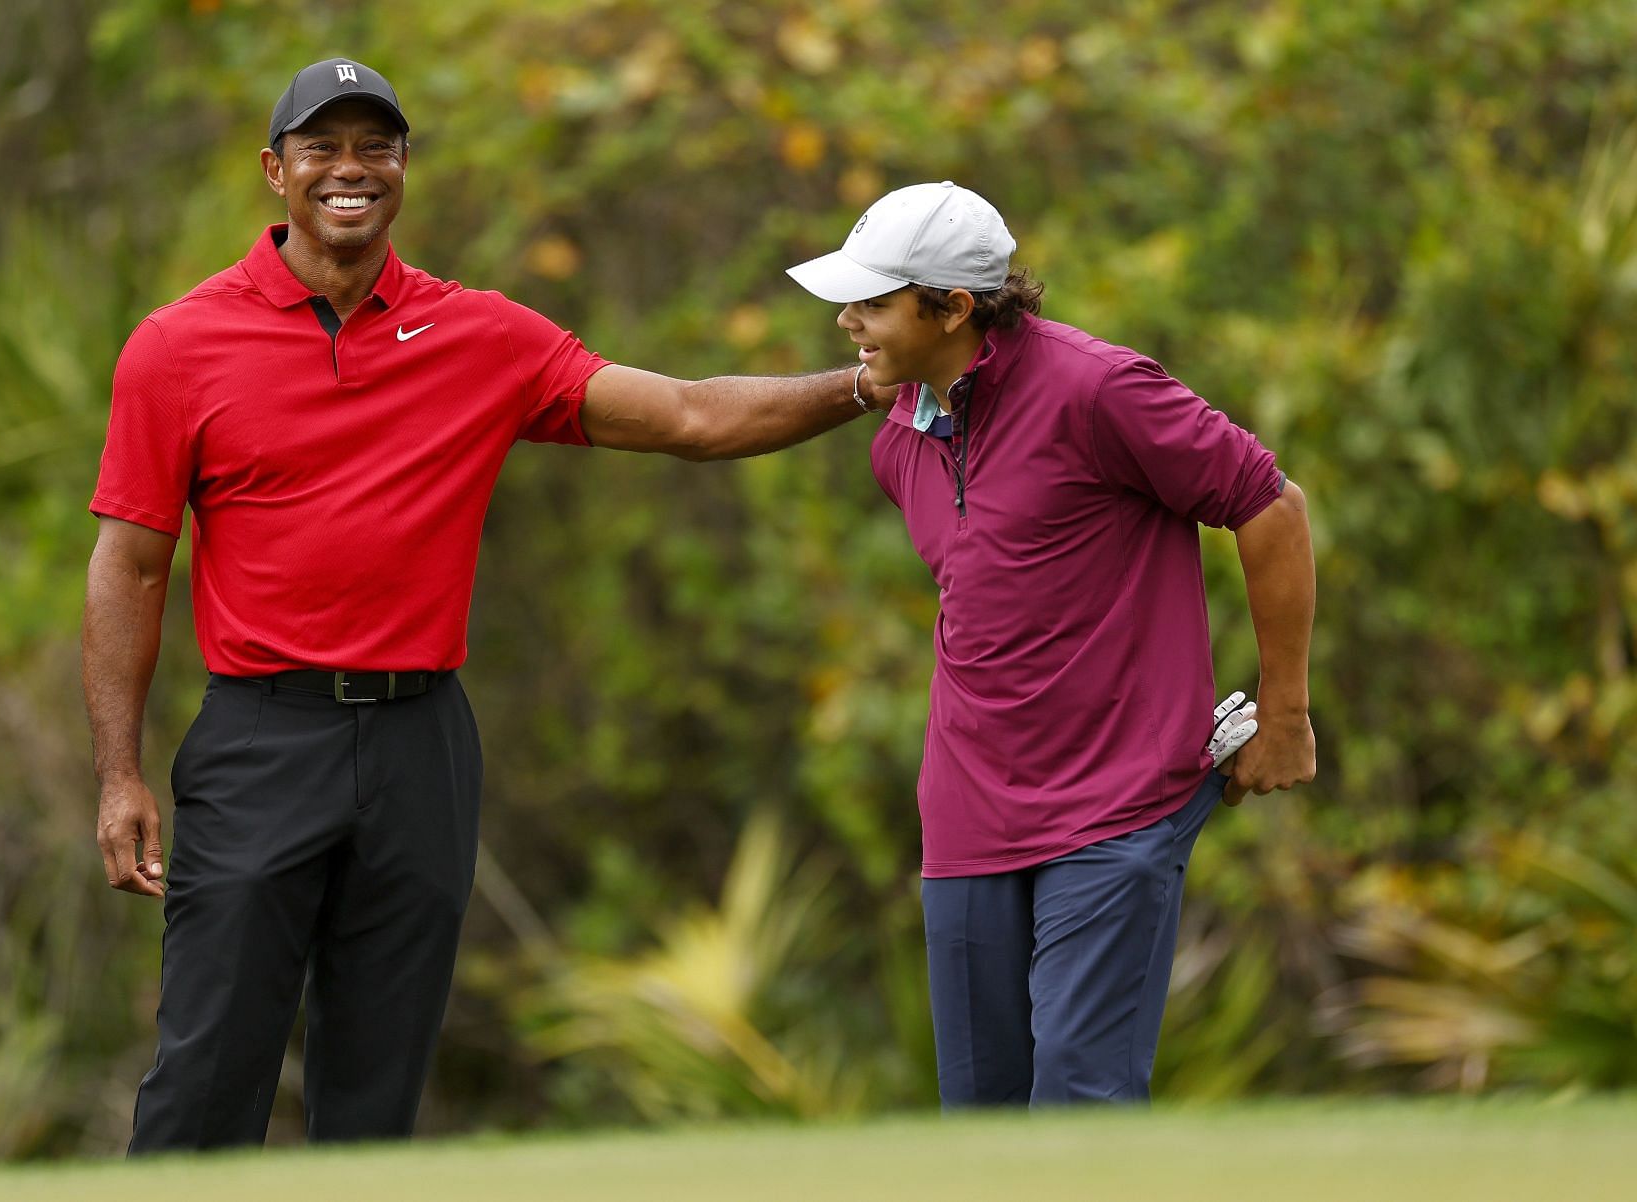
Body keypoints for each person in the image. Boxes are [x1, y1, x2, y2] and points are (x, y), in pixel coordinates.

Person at [82, 58, 893, 1153]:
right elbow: (130, 566)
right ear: (276, 171)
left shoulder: (484, 336)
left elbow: (693, 417)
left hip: (423, 740)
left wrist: (865, 386)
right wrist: (120, 771)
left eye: (377, 146)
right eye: (322, 147)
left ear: (404, 167)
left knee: (377, 1085)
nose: (351, 170)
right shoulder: (179, 345)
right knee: (209, 1074)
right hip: (261, 735)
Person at [785, 181, 1316, 1106]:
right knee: (982, 1120)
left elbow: (1271, 507)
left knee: (1080, 1101)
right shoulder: (896, 446)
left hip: (1116, 805)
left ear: (951, 307)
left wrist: (1287, 715)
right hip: (967, 816)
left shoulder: (1101, 390)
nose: (846, 320)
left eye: (872, 301)